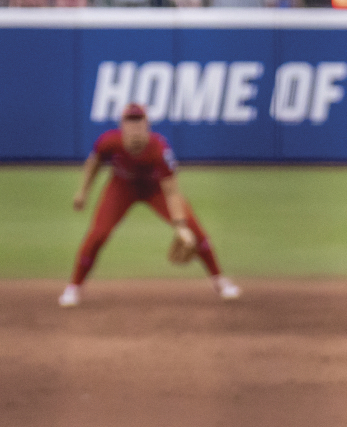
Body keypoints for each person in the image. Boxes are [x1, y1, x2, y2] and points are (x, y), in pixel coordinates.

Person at [60, 102, 235, 307]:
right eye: (129, 121)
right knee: (98, 234)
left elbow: (172, 192)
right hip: (122, 187)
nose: (134, 126)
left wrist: (180, 226)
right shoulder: (109, 142)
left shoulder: (160, 149)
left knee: (194, 231)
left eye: (138, 121)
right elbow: (94, 162)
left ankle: (219, 280)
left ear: (147, 124)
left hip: (155, 190)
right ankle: (74, 287)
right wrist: (83, 192)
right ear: (121, 124)